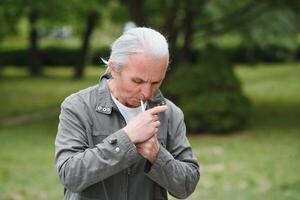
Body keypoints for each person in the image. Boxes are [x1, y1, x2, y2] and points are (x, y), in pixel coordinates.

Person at [55, 27, 200, 200]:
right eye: (137, 81)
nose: (146, 92)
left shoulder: (170, 114)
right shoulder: (78, 107)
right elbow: (70, 176)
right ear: (113, 68)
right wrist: (126, 139)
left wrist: (157, 155)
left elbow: (187, 185)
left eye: (156, 82)